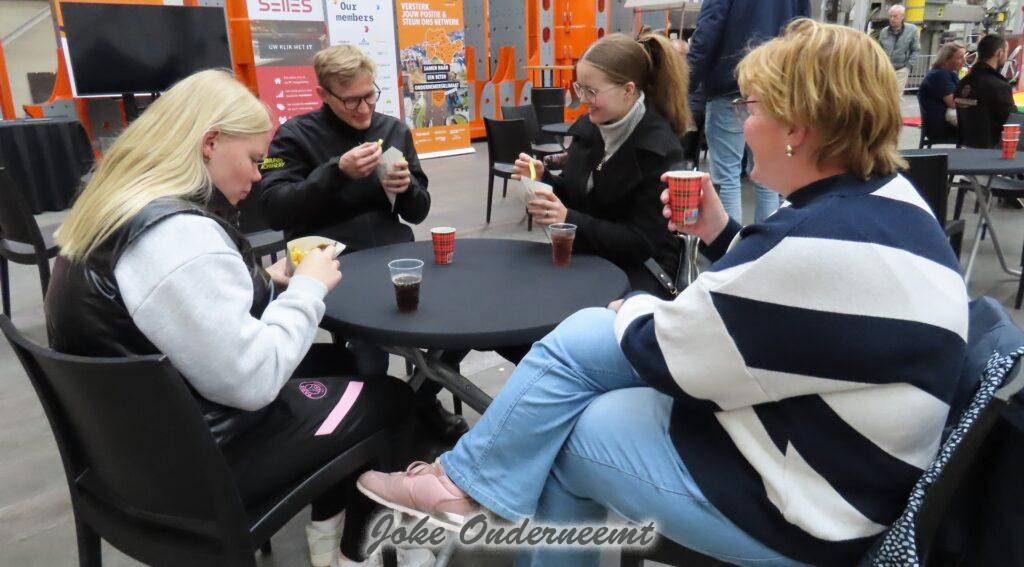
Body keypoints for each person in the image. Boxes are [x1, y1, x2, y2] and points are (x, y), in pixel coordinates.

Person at [356, 20, 969, 566]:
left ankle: (461, 483)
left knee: (563, 418)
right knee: (572, 380)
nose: (740, 121)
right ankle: (462, 483)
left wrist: (633, 310)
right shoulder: (883, 204)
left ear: (796, 129)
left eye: (750, 106)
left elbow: (676, 353)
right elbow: (786, 309)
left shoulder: (816, 241)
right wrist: (721, 232)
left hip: (810, 506)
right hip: (825, 451)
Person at [43, 70, 429, 567]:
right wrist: (309, 287)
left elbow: (183, 309)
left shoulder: (115, 212)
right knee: (392, 399)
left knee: (341, 364)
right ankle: (357, 554)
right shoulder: (177, 239)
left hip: (133, 453)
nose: (257, 176)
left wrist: (267, 280)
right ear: (209, 143)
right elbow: (254, 380)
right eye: (251, 159)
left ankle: (327, 526)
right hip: (203, 468)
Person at [254, 45, 465, 438]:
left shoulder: (393, 129)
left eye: (370, 95)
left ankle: (418, 399)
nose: (364, 108)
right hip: (335, 266)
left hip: (396, 257)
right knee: (369, 352)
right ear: (323, 94)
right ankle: (373, 426)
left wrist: (406, 189)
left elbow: (418, 211)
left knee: (459, 321)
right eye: (351, 100)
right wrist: (336, 172)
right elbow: (273, 209)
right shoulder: (292, 136)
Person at [512, 32, 690, 298]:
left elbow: (641, 242)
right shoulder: (589, 128)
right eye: (579, 88)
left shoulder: (659, 150)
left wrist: (568, 219)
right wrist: (542, 180)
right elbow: (578, 194)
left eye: (591, 91)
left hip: (638, 274)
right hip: (591, 260)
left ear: (628, 90)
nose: (582, 99)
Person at [687, 0, 811, 223]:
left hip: (729, 82)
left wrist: (686, 83)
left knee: (727, 176)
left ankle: (730, 242)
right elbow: (804, 30)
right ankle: (768, 239)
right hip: (775, 84)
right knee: (770, 175)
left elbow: (707, 31)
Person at [955, 34, 1015, 148]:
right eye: (1006, 52)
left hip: (966, 144)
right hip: (993, 149)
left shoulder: (963, 83)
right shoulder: (999, 86)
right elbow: (1012, 121)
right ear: (999, 53)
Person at [917, 41, 965, 143]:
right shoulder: (940, 75)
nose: (964, 61)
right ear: (947, 59)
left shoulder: (944, 73)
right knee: (984, 127)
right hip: (941, 126)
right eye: (960, 57)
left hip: (941, 122)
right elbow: (953, 103)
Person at [876, 4, 920, 95]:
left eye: (895, 16)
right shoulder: (884, 31)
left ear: (902, 17)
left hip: (901, 69)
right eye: (890, 16)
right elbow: (879, 50)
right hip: (886, 69)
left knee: (896, 96)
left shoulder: (912, 30)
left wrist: (908, 66)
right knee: (883, 94)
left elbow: (916, 49)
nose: (892, 19)